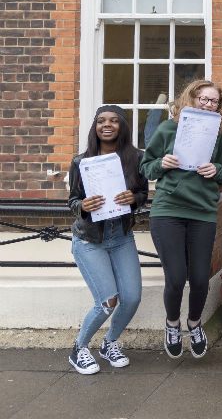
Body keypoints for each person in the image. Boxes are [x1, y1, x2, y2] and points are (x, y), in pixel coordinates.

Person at [140, 80, 222, 359]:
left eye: (213, 101)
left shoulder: (218, 137)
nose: (207, 104)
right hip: (168, 209)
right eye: (203, 99)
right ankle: (172, 324)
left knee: (201, 277)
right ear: (190, 99)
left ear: (219, 107)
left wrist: (214, 168)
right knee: (177, 276)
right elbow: (146, 168)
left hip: (202, 211)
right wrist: (161, 163)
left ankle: (194, 322)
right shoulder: (168, 129)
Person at [66, 106, 147, 374]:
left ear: (123, 126)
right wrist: (84, 206)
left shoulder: (135, 158)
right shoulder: (81, 161)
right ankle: (79, 349)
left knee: (132, 297)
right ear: (95, 126)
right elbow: (73, 201)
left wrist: (133, 199)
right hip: (91, 241)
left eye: (113, 120)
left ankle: (109, 343)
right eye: (101, 121)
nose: (107, 125)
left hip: (121, 237)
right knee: (107, 302)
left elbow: (143, 193)